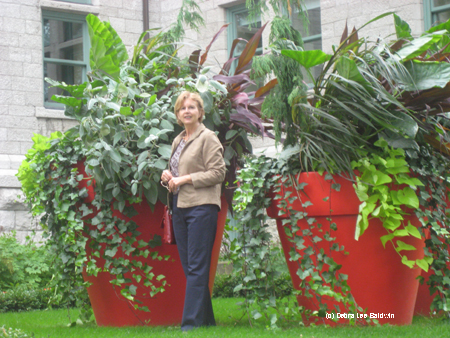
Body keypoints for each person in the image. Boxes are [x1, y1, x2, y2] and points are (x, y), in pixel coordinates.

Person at [160, 91, 226, 331]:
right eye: (182, 108)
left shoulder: (208, 138)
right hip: (180, 207)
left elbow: (218, 173)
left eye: (191, 107)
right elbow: (176, 176)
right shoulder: (179, 140)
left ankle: (190, 326)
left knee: (197, 266)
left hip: (202, 208)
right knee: (191, 268)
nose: (186, 111)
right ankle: (207, 321)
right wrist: (168, 177)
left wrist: (185, 178)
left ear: (200, 112)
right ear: (178, 114)